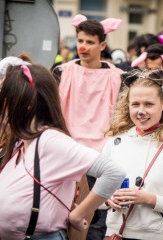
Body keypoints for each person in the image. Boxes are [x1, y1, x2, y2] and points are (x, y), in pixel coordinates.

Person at [0, 64, 126, 240]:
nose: (2, 108)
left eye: (6, 100)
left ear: (25, 104)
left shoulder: (50, 141)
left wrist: (78, 214)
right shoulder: (22, 141)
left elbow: (113, 172)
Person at [102, 69, 163, 240]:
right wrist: (108, 199)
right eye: (135, 104)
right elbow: (97, 195)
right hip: (115, 234)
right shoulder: (115, 142)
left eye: (148, 104)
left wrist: (150, 199)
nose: (141, 111)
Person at [53, 14, 123, 240]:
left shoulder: (119, 77)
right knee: (60, 213)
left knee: (96, 220)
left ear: (102, 45)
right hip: (66, 153)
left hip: (101, 156)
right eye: (80, 41)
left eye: (90, 42)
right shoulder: (62, 72)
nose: (83, 47)